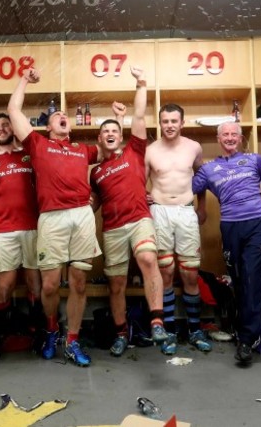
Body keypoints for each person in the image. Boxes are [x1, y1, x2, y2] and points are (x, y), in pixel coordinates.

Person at [7, 68, 102, 367]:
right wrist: (24, 80)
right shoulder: (37, 145)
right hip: (51, 217)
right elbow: (13, 110)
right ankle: (51, 329)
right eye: (56, 115)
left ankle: (72, 340)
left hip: (81, 216)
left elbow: (113, 147)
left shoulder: (83, 150)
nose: (63, 116)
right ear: (48, 127)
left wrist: (119, 120)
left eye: (65, 115)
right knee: (49, 285)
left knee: (78, 282)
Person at [89, 67, 169, 357]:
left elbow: (138, 116)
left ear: (120, 135)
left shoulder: (134, 152)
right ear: (100, 139)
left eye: (114, 130)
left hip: (139, 220)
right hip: (111, 228)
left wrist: (141, 83)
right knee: (117, 283)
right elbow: (93, 203)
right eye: (105, 132)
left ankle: (157, 322)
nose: (110, 134)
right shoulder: (96, 171)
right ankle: (122, 332)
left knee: (148, 258)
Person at [192, 121, 261, 364]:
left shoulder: (255, 160)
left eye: (234, 134)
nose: (230, 138)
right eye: (225, 134)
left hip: (256, 224)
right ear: (218, 139)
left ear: (241, 138)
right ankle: (242, 329)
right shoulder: (209, 169)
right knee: (238, 280)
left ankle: (247, 339)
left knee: (253, 279)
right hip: (230, 227)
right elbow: (184, 187)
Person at [145, 103, 211, 356]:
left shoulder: (193, 147)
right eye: (165, 121)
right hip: (160, 212)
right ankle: (169, 331)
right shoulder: (151, 150)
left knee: (190, 273)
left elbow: (201, 176)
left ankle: (195, 330)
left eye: (174, 121)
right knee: (166, 272)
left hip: (185, 211)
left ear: (182, 122)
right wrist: (144, 196)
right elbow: (140, 181)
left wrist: (202, 206)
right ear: (159, 123)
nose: (170, 125)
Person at [0, 113, 43, 361]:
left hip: (33, 228)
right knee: (4, 285)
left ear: (13, 129)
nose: (2, 129)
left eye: (6, 125)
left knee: (35, 283)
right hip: (2, 231)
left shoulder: (30, 156)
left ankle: (39, 333)